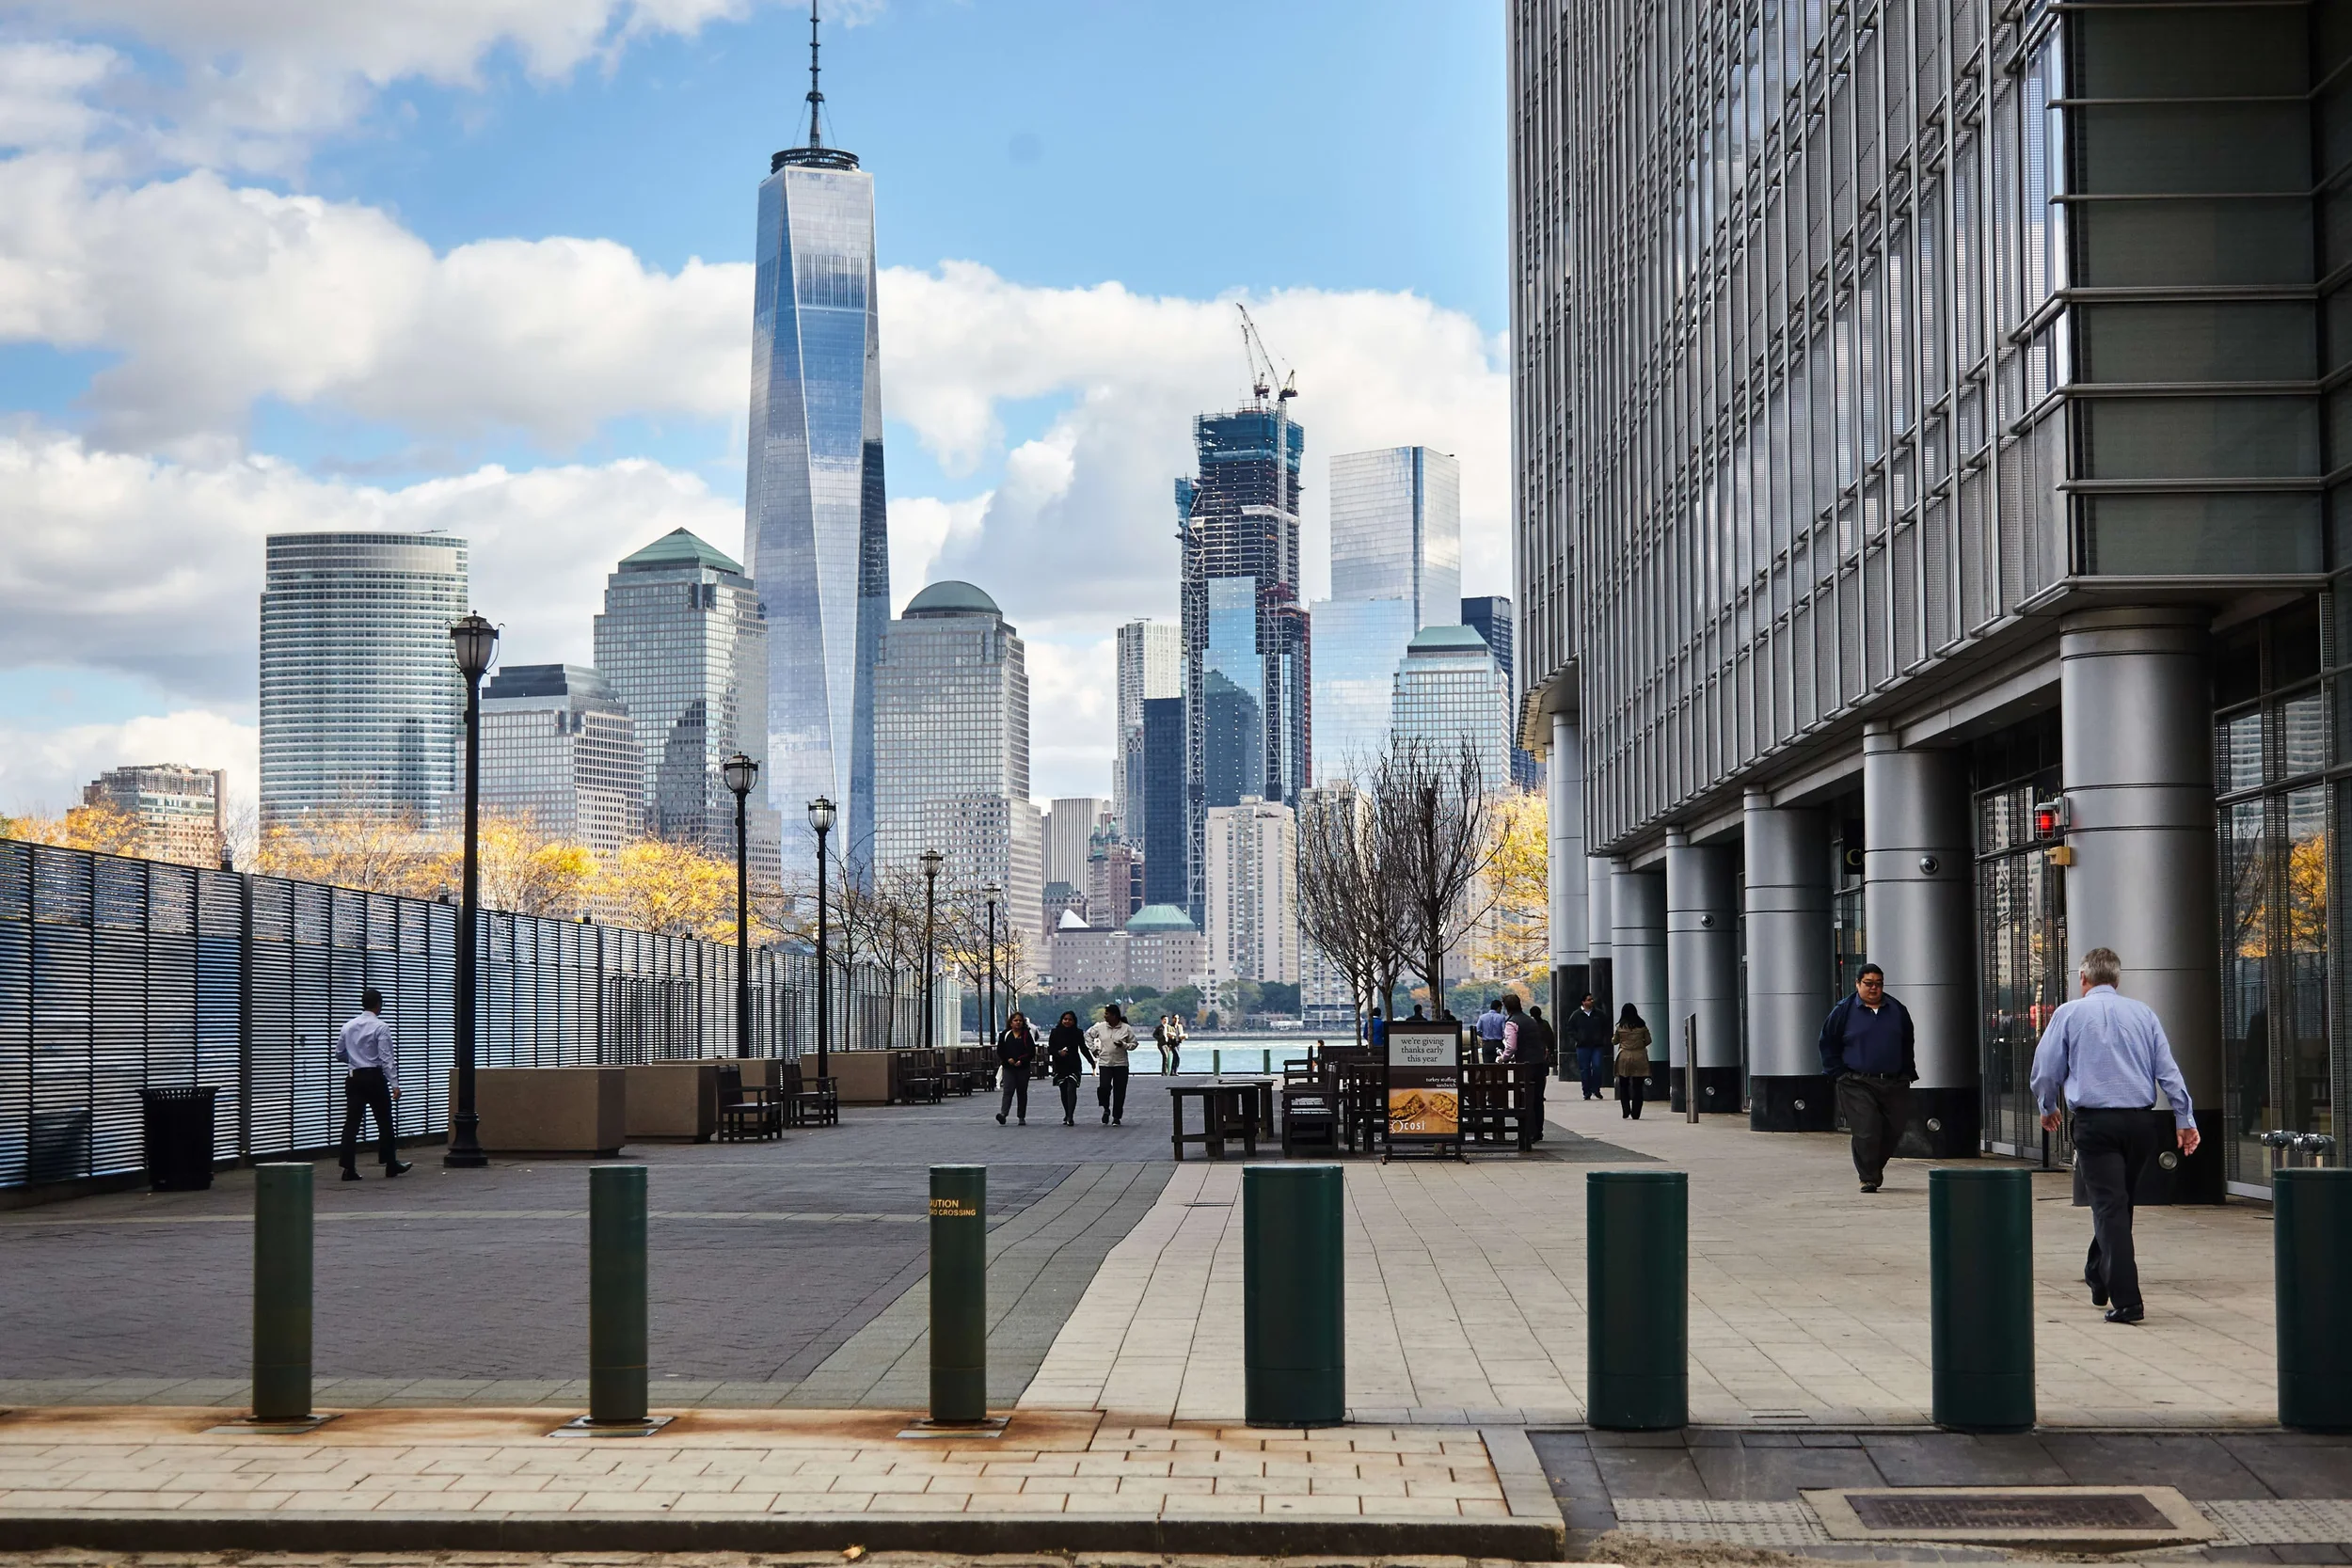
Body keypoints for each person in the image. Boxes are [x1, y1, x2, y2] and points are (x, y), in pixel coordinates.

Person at [2030, 946, 2200, 1325]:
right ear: (2117, 979)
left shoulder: (2069, 1013)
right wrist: (2184, 1118)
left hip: (2096, 1125)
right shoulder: (2144, 1014)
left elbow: (2045, 1070)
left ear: (2083, 979)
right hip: (2142, 1125)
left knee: (2109, 1207)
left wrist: (2047, 1106)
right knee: (2118, 1206)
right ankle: (2097, 1271)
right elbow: (2168, 1071)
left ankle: (2127, 1300)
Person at [1817, 963, 1917, 1193]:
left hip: (1894, 1081)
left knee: (1893, 1130)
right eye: (1869, 983)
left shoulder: (1897, 1010)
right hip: (1856, 1081)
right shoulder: (1844, 1010)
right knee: (1867, 1129)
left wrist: (1906, 1073)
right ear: (1858, 984)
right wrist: (1838, 1073)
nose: (1874, 988)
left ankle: (1873, 1167)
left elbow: (1907, 1042)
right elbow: (1827, 1042)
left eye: (1878, 984)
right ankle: (1868, 1177)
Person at [337, 988, 411, 1180]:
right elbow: (386, 1058)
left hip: (354, 1078)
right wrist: (395, 1084)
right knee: (384, 1121)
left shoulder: (348, 1026)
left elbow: (339, 1054)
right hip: (375, 1078)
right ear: (378, 1004)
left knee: (351, 1123)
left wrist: (355, 1059)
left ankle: (348, 1168)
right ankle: (390, 1164)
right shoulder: (381, 1027)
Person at [1500, 995, 1551, 1144]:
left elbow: (1511, 1047)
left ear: (1506, 1007)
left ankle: (1528, 1132)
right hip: (1539, 1063)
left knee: (1526, 1099)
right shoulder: (1531, 1021)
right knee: (1537, 1098)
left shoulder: (1512, 1023)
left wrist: (1503, 1058)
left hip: (1525, 1066)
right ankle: (1538, 1132)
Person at [1088, 1004, 1140, 1124]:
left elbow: (1134, 1043)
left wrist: (1124, 1045)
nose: (1105, 1016)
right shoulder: (1100, 1027)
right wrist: (1093, 1049)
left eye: (1107, 1014)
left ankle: (1117, 1116)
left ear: (1114, 1016)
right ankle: (1106, 1108)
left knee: (1120, 1091)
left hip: (1121, 1064)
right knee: (1104, 1087)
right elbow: (1088, 1036)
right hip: (1105, 1062)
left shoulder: (1126, 1028)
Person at [1047, 1010, 1093, 1126]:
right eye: (1065, 1019)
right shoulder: (1055, 1032)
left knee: (1071, 1089)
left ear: (1074, 1021)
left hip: (1074, 1064)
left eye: (1070, 1019)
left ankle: (1070, 1116)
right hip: (1060, 1065)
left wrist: (1091, 1061)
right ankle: (1067, 1113)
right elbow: (1050, 1049)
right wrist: (1058, 1052)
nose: (1067, 1021)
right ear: (1062, 1020)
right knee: (1063, 1091)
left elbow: (1083, 1048)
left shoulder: (1078, 1033)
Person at [1565, 992, 1613, 1100]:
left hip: (1597, 1045)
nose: (1591, 1001)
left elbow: (1606, 1026)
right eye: (1589, 999)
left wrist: (1602, 1037)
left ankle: (1596, 1089)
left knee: (1597, 1067)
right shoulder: (1576, 1015)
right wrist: (1578, 1038)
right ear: (1583, 1002)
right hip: (1582, 1046)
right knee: (1584, 1069)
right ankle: (1586, 1091)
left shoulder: (1599, 1014)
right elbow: (1570, 1028)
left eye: (1592, 999)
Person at [995, 1011, 1038, 1125]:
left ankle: (1021, 1116)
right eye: (1015, 1020)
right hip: (1008, 1067)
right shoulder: (1005, 1035)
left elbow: (1031, 1051)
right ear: (1010, 1023)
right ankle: (1003, 1114)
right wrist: (1007, 1059)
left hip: (1023, 1067)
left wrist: (1022, 1060)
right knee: (1008, 1090)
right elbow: (1000, 1050)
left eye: (1020, 1020)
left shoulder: (1026, 1035)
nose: (1018, 1023)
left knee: (1022, 1092)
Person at [1613, 1005, 1651, 1118]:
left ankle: (1625, 1109)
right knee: (1638, 1086)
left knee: (1623, 1084)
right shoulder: (1642, 1025)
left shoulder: (1620, 1027)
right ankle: (1636, 1113)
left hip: (1624, 1055)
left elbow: (1614, 1041)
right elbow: (1649, 1040)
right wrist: (1640, 1045)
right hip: (1639, 1056)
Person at [1475, 998, 1509, 1064]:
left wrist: (1484, 1035)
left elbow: (1477, 1030)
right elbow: (1505, 1030)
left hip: (1487, 1044)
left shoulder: (1482, 1017)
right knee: (1500, 1066)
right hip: (1498, 1043)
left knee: (1487, 1066)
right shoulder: (1501, 1017)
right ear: (1499, 1008)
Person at [1153, 1011, 1187, 1075]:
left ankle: (1173, 1071)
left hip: (1177, 1043)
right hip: (1169, 1044)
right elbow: (1154, 1035)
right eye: (1175, 1018)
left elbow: (1176, 1034)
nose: (1176, 1019)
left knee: (1174, 1057)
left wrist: (1182, 1037)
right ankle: (1167, 1072)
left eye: (1177, 1018)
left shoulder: (1177, 1026)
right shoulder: (1163, 1027)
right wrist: (1160, 1038)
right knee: (1171, 1056)